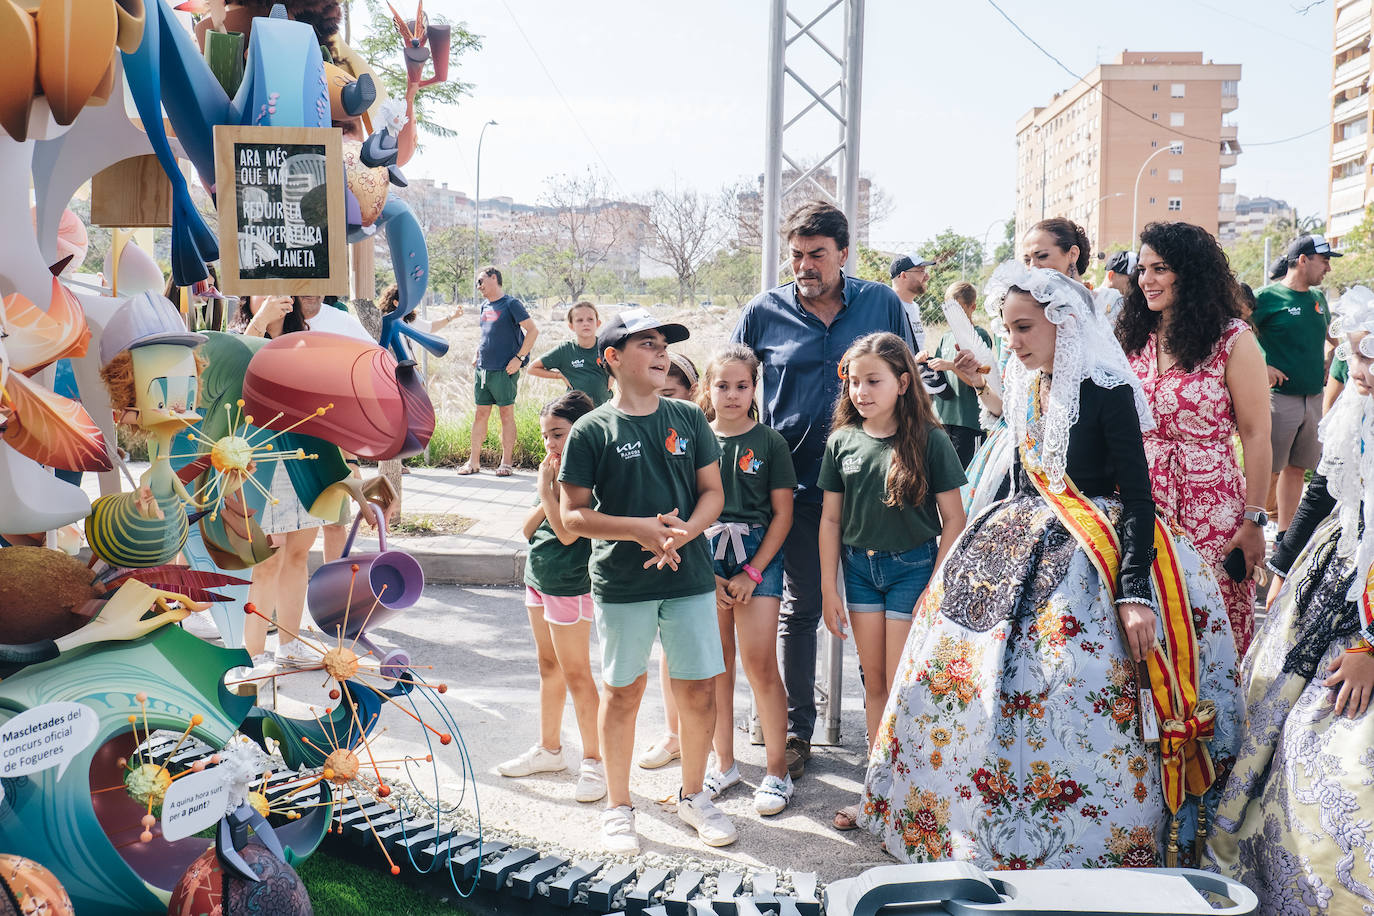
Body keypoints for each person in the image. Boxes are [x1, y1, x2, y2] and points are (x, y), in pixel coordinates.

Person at [862, 262, 1241, 869]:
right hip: (1020, 539)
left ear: (1063, 322)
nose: (1012, 342)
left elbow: (1138, 498)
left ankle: (1088, 846)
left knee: (1070, 679)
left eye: (1024, 328)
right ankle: (972, 829)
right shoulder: (1025, 382)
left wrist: (1134, 592)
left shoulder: (1108, 389)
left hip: (1095, 552)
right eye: (1008, 328)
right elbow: (1022, 473)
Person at [731, 201, 913, 780]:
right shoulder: (763, 311)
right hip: (799, 492)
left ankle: (890, 744)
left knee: (877, 613)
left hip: (878, 489)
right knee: (803, 609)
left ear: (843, 254)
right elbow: (730, 388)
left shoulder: (882, 303)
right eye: (796, 256)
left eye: (817, 255)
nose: (805, 266)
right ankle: (795, 733)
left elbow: (910, 381)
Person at [1209, 286, 1374, 910]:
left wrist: (1368, 645)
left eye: (1371, 358)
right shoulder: (1356, 408)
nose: (1359, 372)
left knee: (1338, 756)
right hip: (1334, 573)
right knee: (1276, 720)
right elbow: (1323, 491)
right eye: (1354, 356)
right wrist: (1281, 565)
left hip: (1364, 612)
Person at [559, 308, 735, 853]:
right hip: (622, 582)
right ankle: (619, 807)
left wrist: (682, 535)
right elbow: (572, 515)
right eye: (648, 344)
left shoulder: (689, 418)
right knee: (623, 691)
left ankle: (694, 797)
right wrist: (638, 530)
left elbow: (713, 493)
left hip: (689, 575)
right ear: (612, 358)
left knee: (699, 688)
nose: (662, 353)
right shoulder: (591, 429)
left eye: (664, 344)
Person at [819, 332, 967, 831]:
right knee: (875, 682)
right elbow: (831, 521)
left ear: (903, 383)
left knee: (903, 684)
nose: (861, 391)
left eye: (873, 381)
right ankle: (875, 792)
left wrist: (934, 587)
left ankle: (908, 797)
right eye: (854, 382)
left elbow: (955, 519)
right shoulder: (842, 441)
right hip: (860, 573)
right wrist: (829, 588)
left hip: (913, 571)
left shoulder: (930, 439)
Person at [1118, 221, 1272, 655]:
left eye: (1160, 269)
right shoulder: (1133, 337)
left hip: (1210, 505)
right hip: (1140, 500)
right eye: (1142, 269)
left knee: (1209, 624)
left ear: (1191, 273)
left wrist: (1254, 521)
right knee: (1144, 626)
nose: (1146, 280)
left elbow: (1257, 434)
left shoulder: (1232, 340)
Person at [696, 345, 796, 815]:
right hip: (706, 555)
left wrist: (753, 572)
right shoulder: (695, 438)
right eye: (722, 385)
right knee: (717, 665)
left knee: (760, 664)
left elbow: (783, 515)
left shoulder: (770, 443)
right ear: (708, 388)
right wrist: (709, 574)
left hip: (759, 556)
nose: (732, 394)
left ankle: (777, 771)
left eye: (741, 386)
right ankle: (725, 764)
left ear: (755, 388)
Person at [498, 391, 605, 804]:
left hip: (569, 586)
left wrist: (548, 490)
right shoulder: (554, 470)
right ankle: (550, 750)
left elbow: (567, 533)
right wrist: (546, 489)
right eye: (545, 436)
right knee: (548, 667)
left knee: (577, 673)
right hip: (538, 578)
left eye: (558, 434)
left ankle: (594, 761)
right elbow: (528, 530)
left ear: (582, 429)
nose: (550, 444)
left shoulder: (586, 473)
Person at [956, 217, 1094, 516]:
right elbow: (1006, 410)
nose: (1033, 268)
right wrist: (979, 383)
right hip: (1017, 459)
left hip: (1078, 473)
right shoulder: (1015, 313)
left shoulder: (1099, 319)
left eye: (1042, 256)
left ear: (1072, 254)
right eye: (1027, 260)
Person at [1251, 234, 1340, 538]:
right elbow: (1238, 333)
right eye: (1324, 261)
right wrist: (1261, 366)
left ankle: (1285, 535)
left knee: (1297, 468)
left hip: (1313, 398)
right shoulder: (1266, 298)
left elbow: (1333, 337)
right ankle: (1251, 530)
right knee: (1267, 468)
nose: (1328, 268)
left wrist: (1333, 357)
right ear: (1303, 260)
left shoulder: (1318, 299)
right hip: (1278, 399)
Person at [637, 349, 699, 771]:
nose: (662, 402)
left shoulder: (702, 432)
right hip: (660, 550)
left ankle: (712, 744)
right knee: (669, 650)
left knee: (711, 656)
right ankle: (675, 735)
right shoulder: (643, 431)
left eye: (672, 393)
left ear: (693, 392)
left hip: (705, 554)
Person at [462, 266, 539, 477]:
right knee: (480, 414)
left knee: (506, 415)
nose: (478, 286)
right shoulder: (484, 306)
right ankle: (473, 462)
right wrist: (477, 353)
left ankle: (506, 463)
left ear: (494, 278)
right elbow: (486, 334)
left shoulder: (511, 304)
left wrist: (519, 358)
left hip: (504, 371)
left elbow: (533, 331)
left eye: (480, 281)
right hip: (483, 371)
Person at [927, 281, 995, 465]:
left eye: (958, 310)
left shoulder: (978, 335)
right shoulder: (946, 337)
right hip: (942, 419)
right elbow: (938, 377)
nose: (952, 316)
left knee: (966, 474)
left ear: (972, 307)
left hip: (968, 421)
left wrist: (951, 366)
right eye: (948, 310)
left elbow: (982, 378)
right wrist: (925, 362)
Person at [889, 253, 951, 397]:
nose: (927, 276)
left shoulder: (914, 307)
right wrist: (912, 361)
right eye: (921, 271)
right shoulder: (888, 306)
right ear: (903, 275)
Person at [529, 301, 613, 406]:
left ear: (598, 323)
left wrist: (614, 375)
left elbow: (625, 363)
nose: (585, 323)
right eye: (579, 320)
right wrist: (559, 375)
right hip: (575, 409)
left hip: (604, 407)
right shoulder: (565, 350)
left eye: (590, 319)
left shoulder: (605, 347)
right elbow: (532, 368)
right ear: (571, 326)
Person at [379, 284, 462, 335]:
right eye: (408, 300)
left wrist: (452, 316)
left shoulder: (411, 321)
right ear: (396, 303)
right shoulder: (384, 324)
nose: (412, 303)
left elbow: (431, 327)